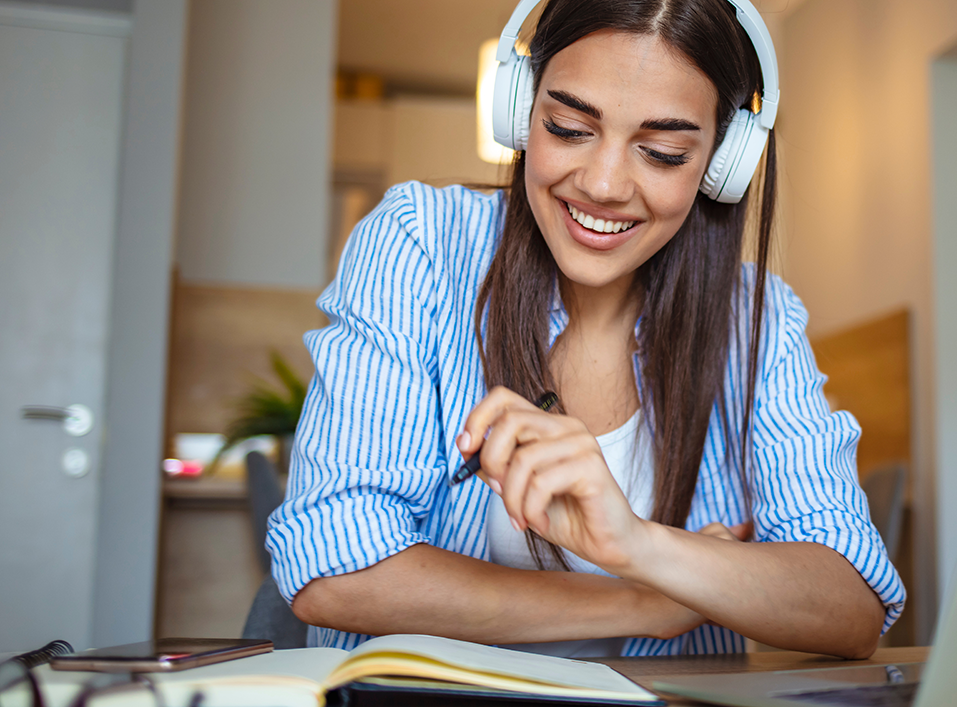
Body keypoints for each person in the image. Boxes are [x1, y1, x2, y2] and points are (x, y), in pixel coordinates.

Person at [268, 0, 905, 659]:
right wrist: (642, 603)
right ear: (521, 108)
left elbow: (850, 603)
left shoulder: (757, 322)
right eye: (569, 128)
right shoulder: (420, 242)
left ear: (722, 163)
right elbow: (333, 567)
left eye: (661, 153)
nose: (603, 184)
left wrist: (636, 543)